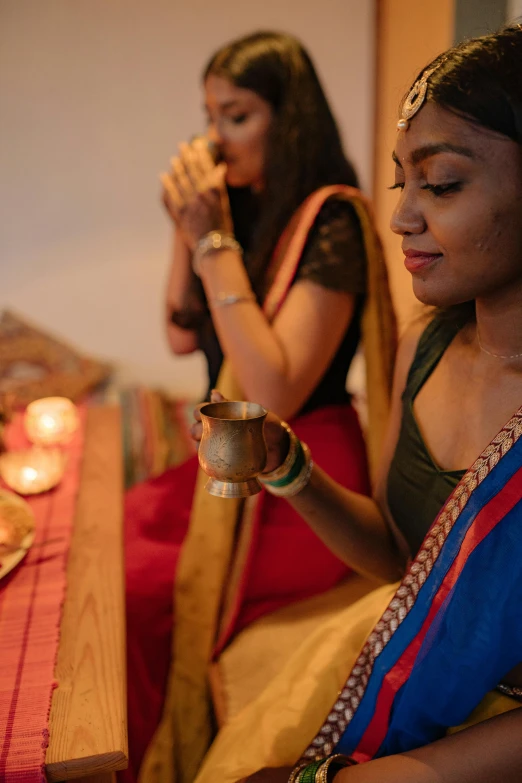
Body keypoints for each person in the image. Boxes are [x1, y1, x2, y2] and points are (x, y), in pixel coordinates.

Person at [183, 24, 522, 783]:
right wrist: (289, 466)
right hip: (414, 681)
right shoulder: (426, 347)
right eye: (404, 183)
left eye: (441, 184)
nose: (401, 217)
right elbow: (402, 559)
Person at [123, 32, 396, 783]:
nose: (216, 136)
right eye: (210, 115)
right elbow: (181, 336)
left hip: (295, 468)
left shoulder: (333, 221)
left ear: (290, 117)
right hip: (221, 461)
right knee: (116, 540)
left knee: (136, 592)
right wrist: (188, 229)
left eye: (236, 115)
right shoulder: (237, 210)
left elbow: (270, 392)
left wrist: (211, 239)